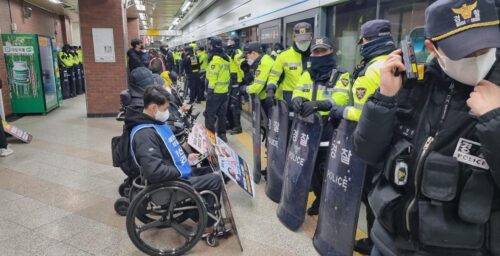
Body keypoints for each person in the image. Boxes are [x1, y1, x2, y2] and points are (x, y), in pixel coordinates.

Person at [353, 0, 500, 255]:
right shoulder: (412, 84)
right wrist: (384, 98)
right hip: (388, 242)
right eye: (464, 51)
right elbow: (367, 152)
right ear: (434, 48)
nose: (478, 56)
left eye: (485, 45)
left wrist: (494, 120)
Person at [329, 19, 396, 254]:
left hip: (374, 144)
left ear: (370, 41)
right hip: (395, 143)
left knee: (372, 196)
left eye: (364, 40)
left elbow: (363, 113)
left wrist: (340, 111)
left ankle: (373, 241)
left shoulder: (372, 69)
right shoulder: (394, 62)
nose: (362, 45)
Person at [126, 85, 222, 234]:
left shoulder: (153, 123)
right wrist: (180, 169)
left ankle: (197, 211)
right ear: (153, 108)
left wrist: (186, 157)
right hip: (167, 184)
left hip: (173, 172)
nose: (166, 113)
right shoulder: (144, 134)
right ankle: (207, 225)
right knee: (215, 180)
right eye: (164, 109)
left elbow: (167, 148)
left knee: (211, 169)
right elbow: (155, 171)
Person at [291, 36, 351, 216]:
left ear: (331, 51)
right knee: (311, 165)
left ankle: (330, 201)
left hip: (329, 128)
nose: (319, 54)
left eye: (323, 51)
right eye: (316, 52)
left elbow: (342, 97)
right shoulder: (306, 73)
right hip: (308, 127)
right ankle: (319, 196)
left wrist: (320, 104)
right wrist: (296, 99)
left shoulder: (341, 74)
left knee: (326, 168)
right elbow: (298, 90)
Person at [266, 22, 313, 109]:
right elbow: (274, 76)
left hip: (311, 100)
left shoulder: (317, 53)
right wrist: (270, 89)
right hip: (290, 100)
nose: (303, 42)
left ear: (311, 36)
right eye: (300, 39)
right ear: (294, 37)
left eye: (306, 39)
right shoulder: (283, 55)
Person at [205, 36, 231, 142]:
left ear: (213, 46)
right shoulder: (226, 58)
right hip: (224, 92)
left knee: (209, 115)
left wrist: (209, 92)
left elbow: (213, 77)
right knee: (222, 115)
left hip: (215, 92)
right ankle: (222, 135)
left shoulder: (215, 60)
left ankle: (211, 138)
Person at [243, 42, 275, 118]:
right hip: (268, 97)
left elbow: (257, 87)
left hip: (270, 99)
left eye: (247, 56)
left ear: (253, 53)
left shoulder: (264, 63)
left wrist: (245, 89)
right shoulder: (264, 60)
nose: (246, 59)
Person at [226, 35, 245, 135]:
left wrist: (240, 81)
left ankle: (238, 127)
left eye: (229, 40)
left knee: (234, 105)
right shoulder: (230, 51)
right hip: (231, 82)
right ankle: (231, 124)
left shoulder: (237, 53)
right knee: (229, 104)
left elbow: (242, 68)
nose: (228, 41)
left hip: (236, 82)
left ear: (233, 41)